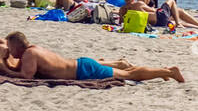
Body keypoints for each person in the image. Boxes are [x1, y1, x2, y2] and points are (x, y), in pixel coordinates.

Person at [0, 31, 185, 84]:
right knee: (126, 71)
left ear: (16, 46)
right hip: (81, 64)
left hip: (83, 71)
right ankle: (162, 72)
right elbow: (21, 69)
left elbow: (26, 77)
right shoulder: (33, 49)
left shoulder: (30, 55)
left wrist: (4, 65)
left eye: (9, 47)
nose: (8, 50)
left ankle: (167, 71)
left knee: (128, 75)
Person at [122, 0, 198, 29]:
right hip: (159, 16)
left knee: (177, 12)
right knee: (171, 1)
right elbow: (153, 10)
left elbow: (121, 22)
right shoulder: (138, 4)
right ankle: (179, 23)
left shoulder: (122, 9)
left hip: (156, 24)